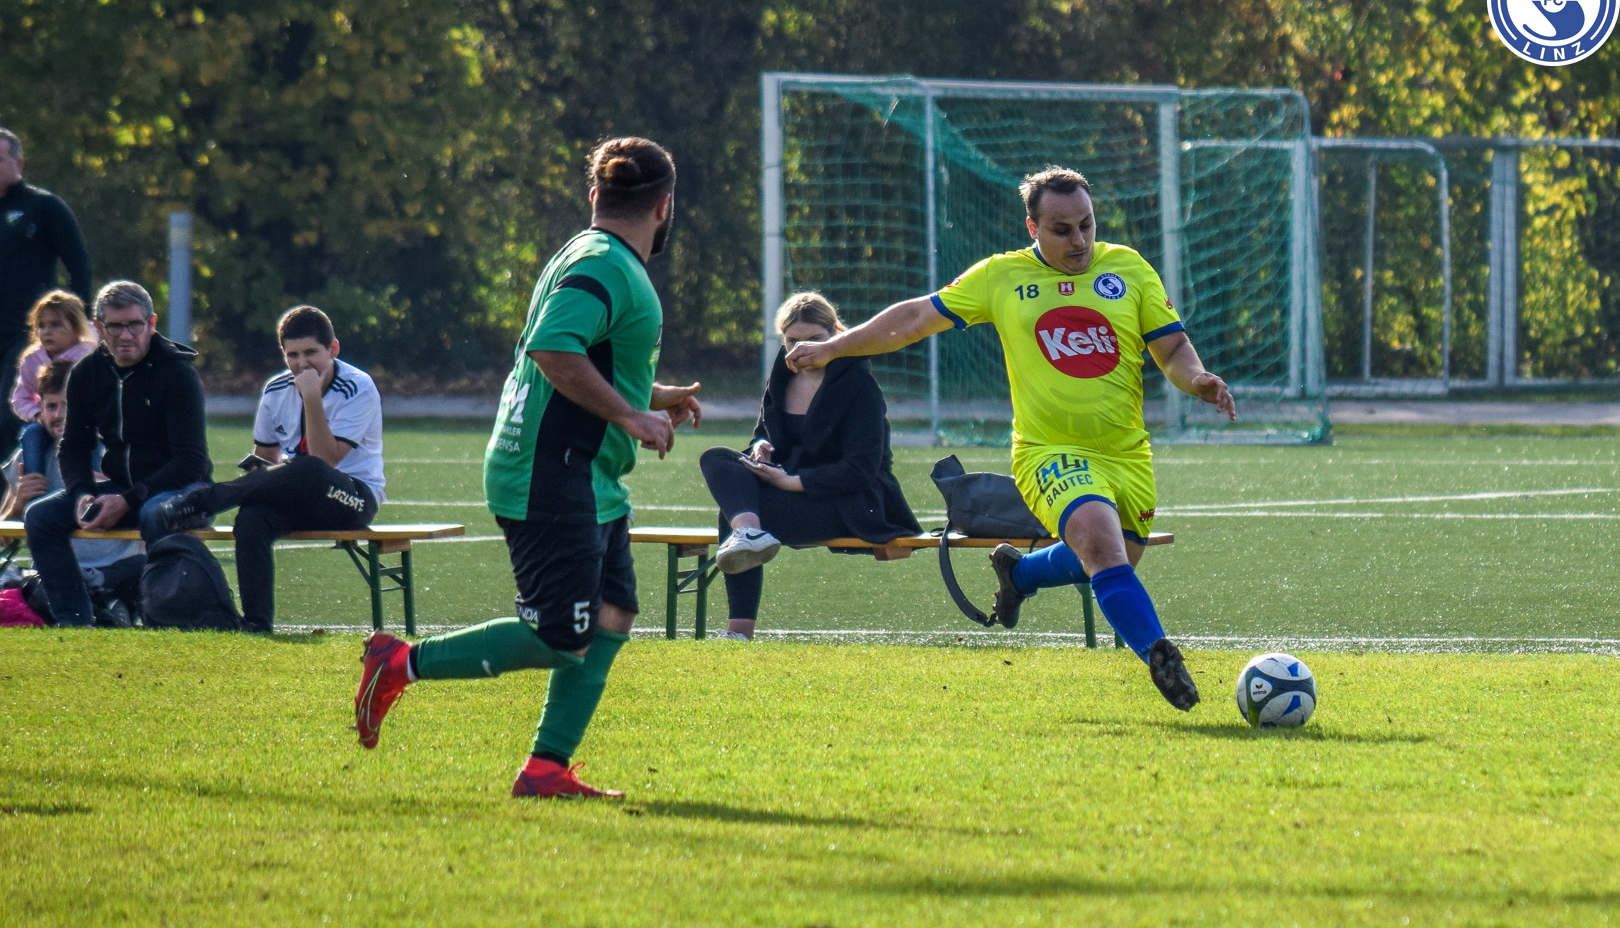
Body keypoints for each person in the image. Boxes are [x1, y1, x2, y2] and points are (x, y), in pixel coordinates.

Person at [786, 166, 1237, 712]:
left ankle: (1019, 573)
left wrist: (1198, 379)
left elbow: (1172, 348)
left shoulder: (1129, 268)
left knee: (1115, 559)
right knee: (1099, 543)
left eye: (1087, 224)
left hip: (1127, 455)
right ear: (1032, 228)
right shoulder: (1001, 277)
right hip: (1049, 452)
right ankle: (1159, 653)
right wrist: (835, 346)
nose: (1079, 240)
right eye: (1062, 230)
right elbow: (914, 319)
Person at [352, 136, 703, 799]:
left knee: (612, 615)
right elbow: (551, 349)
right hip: (551, 472)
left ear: (595, 195)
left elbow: (589, 359)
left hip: (589, 477)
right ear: (664, 205)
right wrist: (631, 417)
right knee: (558, 637)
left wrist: (653, 398)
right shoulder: (604, 263)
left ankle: (546, 768)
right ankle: (399, 662)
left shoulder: (593, 255)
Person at [700, 292, 920, 639]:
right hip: (792, 486)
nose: (802, 349)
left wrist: (791, 482)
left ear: (835, 334)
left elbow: (861, 471)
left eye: (815, 339)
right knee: (715, 458)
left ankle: (739, 630)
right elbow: (763, 433)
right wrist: (760, 447)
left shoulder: (859, 384)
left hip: (852, 501)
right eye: (792, 341)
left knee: (734, 513)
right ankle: (748, 535)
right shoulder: (781, 375)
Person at [155, 305, 385, 633]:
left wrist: (311, 397)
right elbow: (265, 458)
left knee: (309, 469)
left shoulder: (357, 387)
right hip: (297, 494)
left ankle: (206, 499)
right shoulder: (276, 389)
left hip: (351, 498)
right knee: (251, 518)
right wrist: (258, 471)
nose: (302, 364)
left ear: (333, 349)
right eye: (293, 355)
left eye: (311, 353)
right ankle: (256, 624)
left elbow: (324, 460)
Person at [23, 280, 211, 627]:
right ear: (98, 328)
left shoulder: (178, 374)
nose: (126, 336)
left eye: (134, 325)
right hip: (124, 489)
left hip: (182, 490)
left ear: (151, 324)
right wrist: (81, 493)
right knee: (40, 516)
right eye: (115, 327)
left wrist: (128, 500)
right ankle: (75, 619)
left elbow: (191, 462)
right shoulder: (86, 373)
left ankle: (164, 619)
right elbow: (73, 446)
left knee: (155, 513)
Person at [2, 361, 144, 624]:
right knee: (29, 584)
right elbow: (4, 538)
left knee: (141, 569)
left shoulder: (115, 455)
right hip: (56, 575)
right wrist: (19, 503)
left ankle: (98, 603)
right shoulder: (29, 459)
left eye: (67, 406)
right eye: (51, 407)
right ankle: (104, 610)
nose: (59, 415)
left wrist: (112, 489)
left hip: (115, 570)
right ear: (40, 410)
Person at [0, 128, 93, 458]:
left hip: (25, 334)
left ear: (19, 164)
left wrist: (78, 322)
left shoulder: (44, 207)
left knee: (7, 414)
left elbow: (79, 266)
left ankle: (21, 483)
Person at [11, 290, 98, 476]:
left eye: (56, 325)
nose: (47, 331)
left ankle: (95, 477)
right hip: (49, 419)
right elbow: (19, 399)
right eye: (41, 326)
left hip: (83, 420)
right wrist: (37, 414)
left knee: (95, 435)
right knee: (31, 434)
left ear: (76, 327)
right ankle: (35, 480)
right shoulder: (32, 360)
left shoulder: (88, 356)